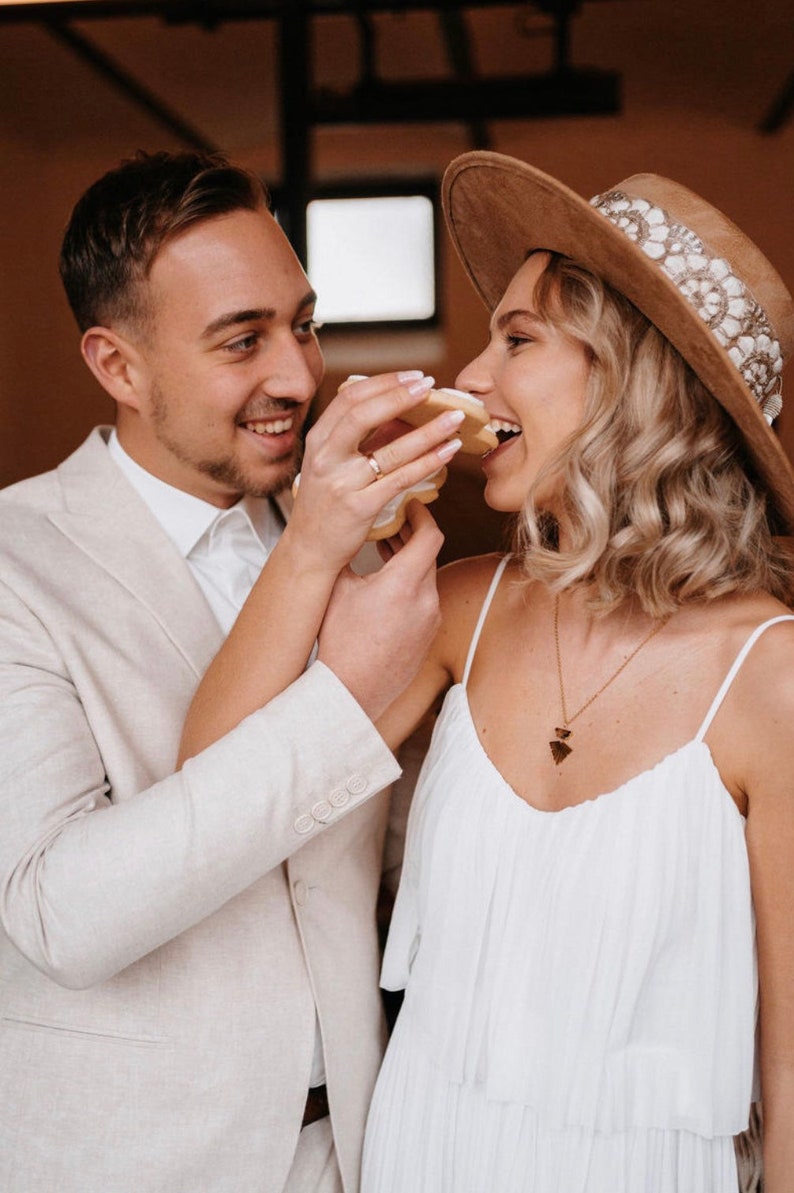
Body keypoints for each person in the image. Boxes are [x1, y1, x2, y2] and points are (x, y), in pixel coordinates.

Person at [0, 149, 466, 1193]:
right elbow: (59, 914)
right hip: (127, 1163)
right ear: (118, 366)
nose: (299, 377)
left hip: (360, 1148)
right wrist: (343, 698)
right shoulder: (13, 565)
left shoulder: (359, 547)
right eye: (240, 340)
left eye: (301, 323)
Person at [354, 157, 794, 1190]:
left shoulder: (769, 676)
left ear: (631, 377)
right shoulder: (458, 607)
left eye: (515, 339)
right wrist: (329, 535)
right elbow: (236, 793)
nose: (466, 377)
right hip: (418, 1154)